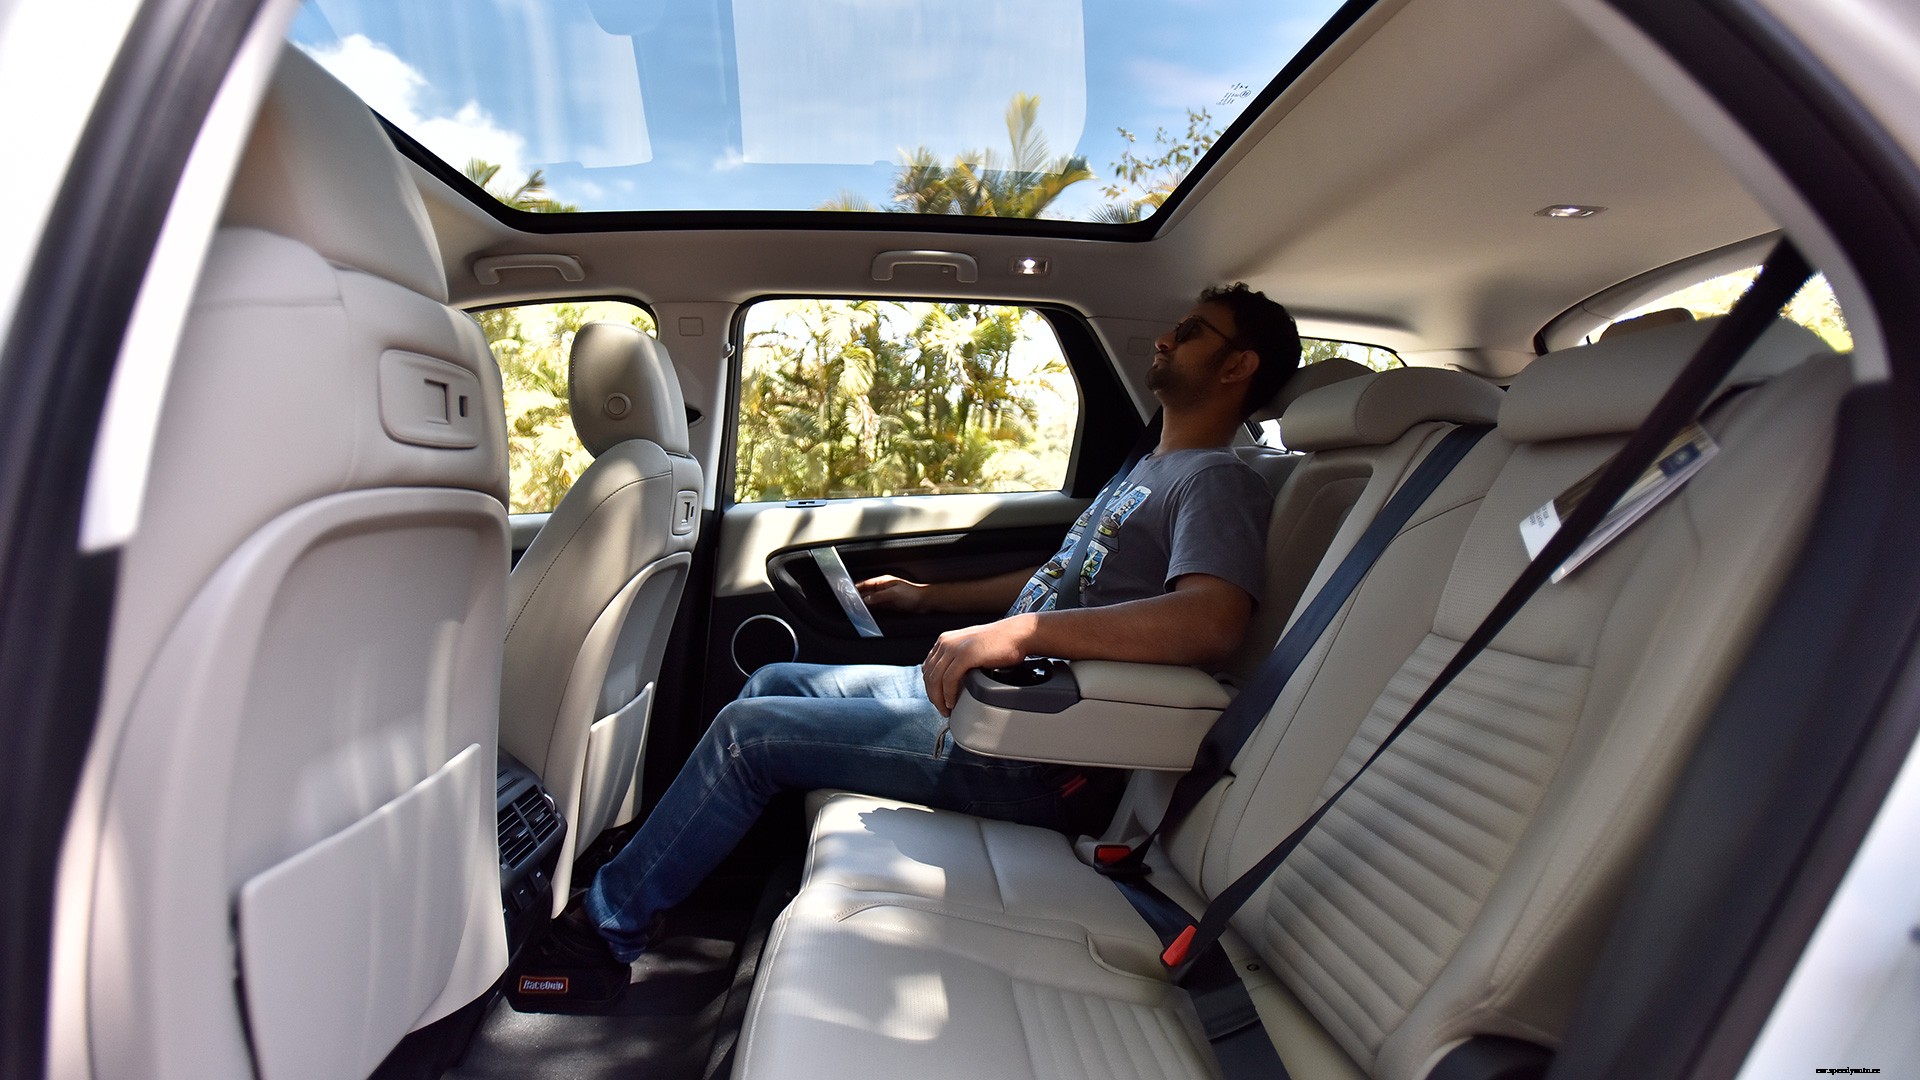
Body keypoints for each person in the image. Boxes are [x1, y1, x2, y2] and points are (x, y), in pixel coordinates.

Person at [523, 283, 1302, 997]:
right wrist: (931, 598)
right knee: (771, 685)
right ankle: (666, 884)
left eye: (1192, 333)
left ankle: (602, 936)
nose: (1167, 338)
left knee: (746, 735)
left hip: (1042, 745)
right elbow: (1063, 574)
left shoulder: (1215, 480)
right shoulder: (1151, 469)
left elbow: (1210, 621)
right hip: (1002, 705)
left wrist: (1018, 634)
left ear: (1237, 365)